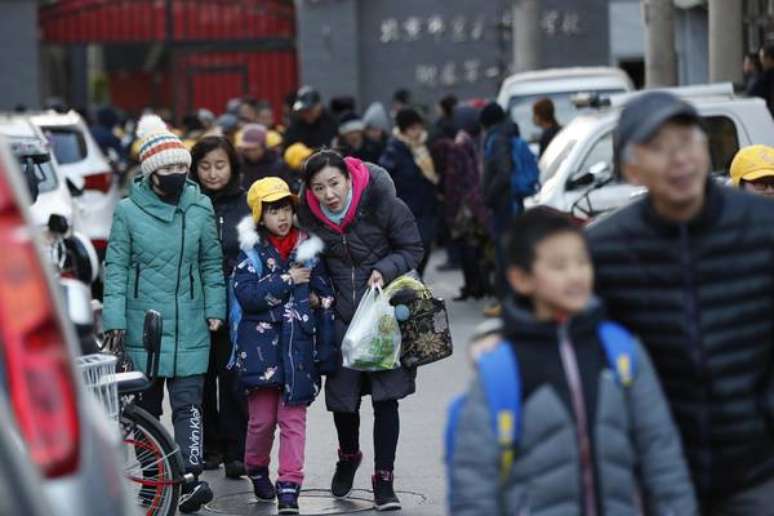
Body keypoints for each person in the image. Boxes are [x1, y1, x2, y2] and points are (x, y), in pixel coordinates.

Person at [587, 91, 774, 515]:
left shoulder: (763, 228)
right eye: (658, 148)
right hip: (655, 476)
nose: (679, 159)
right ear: (631, 169)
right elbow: (576, 351)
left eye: (687, 142)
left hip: (757, 469)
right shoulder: (604, 250)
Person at [449, 207, 697, 515]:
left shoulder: (620, 351)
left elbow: (662, 456)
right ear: (521, 279)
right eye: (559, 265)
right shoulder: (501, 368)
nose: (576, 274)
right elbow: (474, 482)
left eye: (582, 262)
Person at [102, 114, 226, 513]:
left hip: (191, 318)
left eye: (181, 167)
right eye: (168, 168)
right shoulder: (127, 211)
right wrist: (115, 321)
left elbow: (211, 264)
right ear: (152, 171)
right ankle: (155, 484)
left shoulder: (200, 206)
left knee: (190, 403)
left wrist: (215, 309)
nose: (176, 174)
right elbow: (116, 269)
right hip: (145, 322)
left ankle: (189, 479)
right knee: (147, 409)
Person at [297, 150, 424, 511]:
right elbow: (305, 258)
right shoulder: (308, 217)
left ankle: (384, 479)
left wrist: (385, 267)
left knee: (386, 399)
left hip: (384, 317)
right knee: (343, 401)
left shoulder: (383, 203)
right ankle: (349, 455)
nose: (329, 194)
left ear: (349, 178)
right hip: (338, 319)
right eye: (319, 188)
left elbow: (412, 247)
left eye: (334, 184)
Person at [233, 177, 335, 515]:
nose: (282, 217)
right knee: (261, 422)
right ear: (260, 216)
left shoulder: (308, 249)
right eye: (273, 210)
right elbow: (247, 297)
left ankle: (290, 485)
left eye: (286, 209)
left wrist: (320, 301)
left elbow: (324, 291)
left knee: (293, 422)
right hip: (260, 350)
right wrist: (288, 280)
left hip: (299, 350)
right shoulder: (250, 253)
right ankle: (256, 467)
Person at [190, 136, 250, 478]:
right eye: (205, 166)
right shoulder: (189, 202)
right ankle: (208, 446)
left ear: (232, 166)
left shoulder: (246, 203)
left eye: (220, 165)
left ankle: (236, 450)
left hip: (237, 305)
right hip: (196, 302)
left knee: (233, 378)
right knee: (199, 378)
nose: (213, 173)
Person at [431, 105, 489, 300]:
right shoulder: (475, 141)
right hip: (474, 201)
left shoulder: (459, 145)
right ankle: (477, 286)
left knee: (466, 246)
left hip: (462, 205)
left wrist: (448, 202)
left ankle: (472, 286)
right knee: (474, 246)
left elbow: (454, 178)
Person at [379, 108, 440, 278]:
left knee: (426, 245)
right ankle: (413, 281)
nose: (418, 132)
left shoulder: (423, 146)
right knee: (414, 248)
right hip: (408, 208)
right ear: (404, 130)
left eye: (419, 127)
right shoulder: (394, 149)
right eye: (413, 128)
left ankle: (416, 279)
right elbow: (383, 176)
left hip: (427, 206)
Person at [479, 102, 520, 318]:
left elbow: (503, 173)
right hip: (505, 204)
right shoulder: (504, 133)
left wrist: (488, 195)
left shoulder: (498, 138)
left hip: (503, 205)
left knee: (504, 254)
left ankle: (506, 302)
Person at [283, 86, 339, 150]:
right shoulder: (295, 127)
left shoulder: (332, 122)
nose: (305, 113)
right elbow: (287, 149)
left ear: (319, 105)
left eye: (309, 109)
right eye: (302, 110)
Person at [236, 123, 285, 188]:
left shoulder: (277, 165)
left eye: (254, 149)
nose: (250, 153)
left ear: (263, 147)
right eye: (247, 149)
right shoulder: (239, 164)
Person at [749, 44, 774, 117]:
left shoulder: (768, 76)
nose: (760, 61)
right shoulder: (763, 75)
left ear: (769, 59)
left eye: (762, 58)